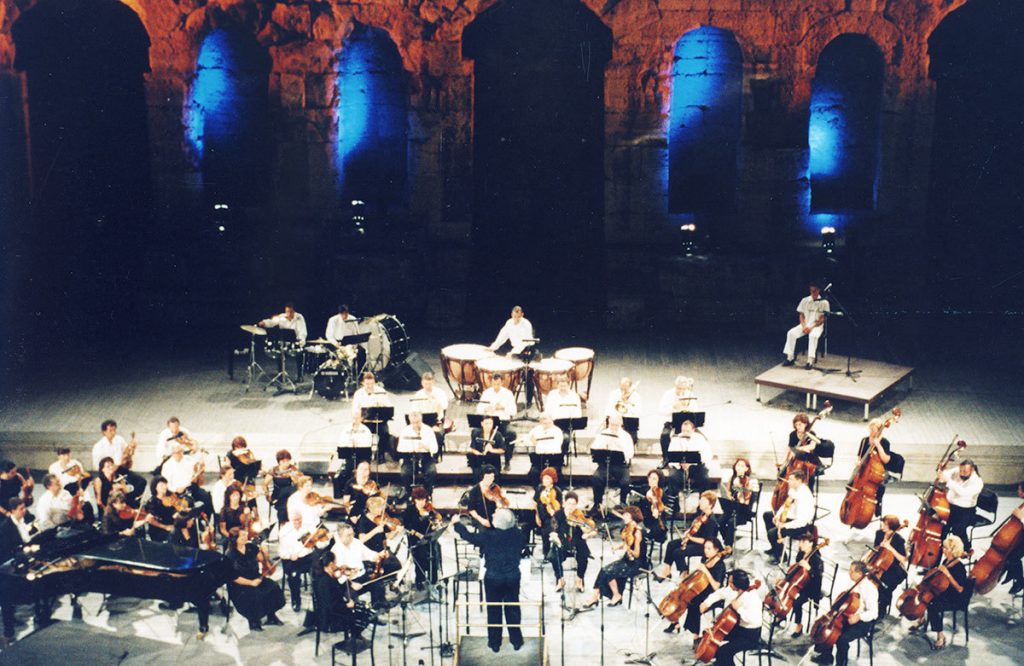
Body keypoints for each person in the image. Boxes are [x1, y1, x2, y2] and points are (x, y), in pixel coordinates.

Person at [454, 507, 527, 653]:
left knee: (493, 609)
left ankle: (495, 642)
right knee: (513, 607)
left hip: (493, 577)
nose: (493, 515)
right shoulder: (519, 535)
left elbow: (469, 537)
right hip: (512, 576)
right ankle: (516, 640)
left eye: (495, 515)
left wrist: (457, 524)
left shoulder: (488, 536)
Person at [811, 561, 878, 666]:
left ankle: (841, 663)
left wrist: (859, 616)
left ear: (860, 573)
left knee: (841, 639)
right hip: (847, 616)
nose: (849, 573)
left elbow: (874, 613)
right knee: (831, 631)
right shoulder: (853, 583)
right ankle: (826, 657)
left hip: (863, 622)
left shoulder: (870, 589)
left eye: (851, 571)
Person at [908, 535, 969, 650]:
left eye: (945, 548)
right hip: (944, 592)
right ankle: (921, 619)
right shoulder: (947, 561)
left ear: (952, 550)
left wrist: (947, 573)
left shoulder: (959, 567)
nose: (943, 549)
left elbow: (960, 589)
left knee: (932, 604)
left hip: (955, 598)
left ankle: (941, 636)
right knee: (925, 596)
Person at [581, 505, 645, 608]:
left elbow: (637, 553)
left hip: (636, 563)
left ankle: (611, 596)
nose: (624, 516)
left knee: (608, 571)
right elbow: (627, 543)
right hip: (627, 559)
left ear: (632, 517)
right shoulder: (627, 528)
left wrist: (629, 550)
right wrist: (618, 547)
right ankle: (598, 596)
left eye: (626, 515)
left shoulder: (637, 532)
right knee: (604, 569)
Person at [698, 569, 763, 665]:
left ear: (738, 583)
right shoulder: (732, 590)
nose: (729, 585)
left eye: (731, 582)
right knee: (712, 640)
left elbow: (754, 620)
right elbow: (719, 593)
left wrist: (739, 609)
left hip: (750, 635)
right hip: (737, 628)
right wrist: (706, 603)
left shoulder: (753, 598)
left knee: (724, 652)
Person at [226, 527, 286, 632]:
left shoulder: (250, 547)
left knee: (273, 587)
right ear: (235, 539)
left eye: (246, 535)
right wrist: (251, 583)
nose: (246, 537)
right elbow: (233, 577)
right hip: (239, 584)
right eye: (242, 536)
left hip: (255, 577)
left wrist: (264, 551)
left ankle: (271, 616)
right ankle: (253, 620)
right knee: (253, 595)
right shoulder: (230, 555)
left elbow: (261, 559)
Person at [667, 537, 727, 641]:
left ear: (716, 550)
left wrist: (706, 571)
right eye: (705, 548)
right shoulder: (705, 559)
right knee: (687, 598)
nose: (706, 551)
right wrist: (685, 580)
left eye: (709, 548)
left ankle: (695, 636)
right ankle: (676, 621)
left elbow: (716, 587)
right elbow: (699, 576)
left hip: (713, 592)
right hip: (702, 588)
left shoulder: (720, 565)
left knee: (695, 604)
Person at [655, 491, 719, 580]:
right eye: (700, 499)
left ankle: (684, 573)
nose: (700, 502)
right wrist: (688, 531)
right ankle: (667, 571)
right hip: (694, 541)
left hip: (703, 546)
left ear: (710, 505)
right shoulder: (701, 514)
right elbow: (695, 527)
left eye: (703, 500)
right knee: (671, 544)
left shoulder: (711, 521)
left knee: (678, 552)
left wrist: (690, 537)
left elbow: (705, 541)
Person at [355, 496, 403, 607]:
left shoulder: (380, 519)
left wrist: (396, 532)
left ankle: (385, 587)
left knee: (396, 565)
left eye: (382, 507)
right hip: (369, 552)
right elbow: (361, 539)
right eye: (379, 508)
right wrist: (375, 530)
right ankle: (378, 599)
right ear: (370, 508)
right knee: (380, 571)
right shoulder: (363, 520)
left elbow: (387, 537)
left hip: (382, 549)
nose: (381, 510)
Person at [763, 469, 815, 563]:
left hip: (800, 526)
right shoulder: (793, 489)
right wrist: (778, 515)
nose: (788, 481)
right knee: (767, 515)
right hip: (791, 517)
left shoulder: (804, 496)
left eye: (791, 479)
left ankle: (781, 556)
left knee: (772, 533)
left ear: (799, 481)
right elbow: (786, 504)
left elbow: (801, 521)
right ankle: (775, 547)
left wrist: (784, 525)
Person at [547, 491, 595, 593]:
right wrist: (555, 538)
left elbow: (589, 529)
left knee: (584, 555)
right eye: (569, 504)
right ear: (564, 503)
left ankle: (579, 579)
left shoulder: (579, 514)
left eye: (573, 504)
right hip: (562, 541)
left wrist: (583, 528)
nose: (571, 507)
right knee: (554, 556)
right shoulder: (558, 514)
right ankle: (560, 580)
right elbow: (553, 528)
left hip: (577, 541)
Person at [91, 420, 144, 504]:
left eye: (114, 430)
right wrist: (110, 470)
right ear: (104, 432)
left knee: (141, 481)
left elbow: (126, 451)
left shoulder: (119, 439)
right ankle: (124, 501)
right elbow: (97, 466)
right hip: (107, 472)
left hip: (120, 468)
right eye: (110, 430)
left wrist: (131, 447)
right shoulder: (98, 446)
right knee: (115, 488)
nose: (113, 433)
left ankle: (130, 500)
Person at [590, 413, 635, 512]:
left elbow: (630, 453)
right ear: (609, 422)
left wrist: (620, 448)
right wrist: (602, 448)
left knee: (625, 481)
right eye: (612, 425)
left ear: (621, 423)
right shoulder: (603, 434)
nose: (614, 427)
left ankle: (623, 502)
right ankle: (597, 503)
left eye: (616, 425)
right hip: (605, 464)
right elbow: (594, 448)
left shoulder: (625, 436)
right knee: (597, 477)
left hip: (621, 465)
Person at [865, 515, 908, 616]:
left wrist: (890, 548)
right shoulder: (879, 533)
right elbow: (876, 549)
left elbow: (903, 559)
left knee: (884, 587)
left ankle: (882, 609)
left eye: (885, 524)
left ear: (891, 527)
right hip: (879, 564)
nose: (882, 526)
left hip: (894, 568)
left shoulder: (899, 539)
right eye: (883, 523)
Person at [783, 282, 830, 368]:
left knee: (813, 336)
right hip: (805, 324)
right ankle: (790, 358)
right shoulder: (805, 300)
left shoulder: (824, 302)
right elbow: (801, 315)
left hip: (816, 326)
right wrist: (804, 326)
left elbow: (822, 319)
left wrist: (811, 327)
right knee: (791, 333)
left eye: (814, 290)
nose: (812, 292)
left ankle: (810, 361)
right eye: (811, 290)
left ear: (819, 290)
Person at [1, 498, 29, 641]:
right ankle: (8, 632)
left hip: (16, 564)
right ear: (12, 511)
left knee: (11, 596)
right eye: (21, 509)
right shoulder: (5, 527)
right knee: (6, 597)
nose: (24, 511)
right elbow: (6, 550)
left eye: (24, 508)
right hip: (5, 569)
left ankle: (11, 621)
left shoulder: (21, 522)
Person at [940, 458, 983, 551]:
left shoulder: (978, 482)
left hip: (965, 511)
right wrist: (942, 470)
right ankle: (939, 547)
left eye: (965, 472)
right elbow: (944, 476)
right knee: (941, 524)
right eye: (961, 470)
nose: (962, 473)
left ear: (972, 470)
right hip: (951, 507)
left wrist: (949, 481)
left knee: (957, 529)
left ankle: (967, 549)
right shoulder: (958, 470)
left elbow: (962, 492)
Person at [403, 486, 442, 589]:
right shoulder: (409, 510)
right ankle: (420, 580)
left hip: (428, 537)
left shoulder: (429, 509)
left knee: (435, 550)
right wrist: (417, 534)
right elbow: (406, 526)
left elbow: (433, 523)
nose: (421, 502)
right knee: (421, 554)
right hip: (415, 539)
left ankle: (433, 580)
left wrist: (435, 526)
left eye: (423, 499)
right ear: (414, 500)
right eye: (419, 500)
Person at [351, 372, 395, 463]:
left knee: (385, 433)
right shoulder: (358, 394)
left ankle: (380, 453)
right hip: (365, 421)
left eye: (372, 383)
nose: (370, 386)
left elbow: (389, 405)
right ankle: (365, 455)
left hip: (379, 421)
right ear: (363, 383)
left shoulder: (381, 391)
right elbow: (355, 409)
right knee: (362, 434)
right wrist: (359, 418)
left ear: (374, 382)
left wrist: (382, 406)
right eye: (367, 384)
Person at [476, 374, 518, 467]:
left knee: (511, 434)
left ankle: (507, 460)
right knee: (477, 432)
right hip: (490, 422)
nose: (496, 386)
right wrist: (486, 408)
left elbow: (514, 411)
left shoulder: (508, 393)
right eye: (494, 384)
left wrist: (503, 408)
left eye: (498, 384)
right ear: (491, 383)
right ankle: (482, 459)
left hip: (503, 422)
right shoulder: (486, 393)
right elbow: (479, 408)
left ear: (502, 382)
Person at [855, 418, 894, 518]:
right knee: (855, 482)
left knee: (880, 485)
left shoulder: (885, 442)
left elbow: (886, 460)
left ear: (879, 431)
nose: (871, 432)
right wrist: (858, 462)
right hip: (865, 468)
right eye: (870, 429)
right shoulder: (864, 440)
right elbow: (859, 456)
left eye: (873, 430)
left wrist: (878, 445)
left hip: (879, 470)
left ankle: (877, 505)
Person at [665, 419, 714, 496]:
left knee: (705, 479)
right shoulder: (676, 439)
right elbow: (671, 456)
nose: (685, 433)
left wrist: (691, 464)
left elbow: (708, 454)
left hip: (696, 467)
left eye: (687, 431)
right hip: (680, 468)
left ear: (693, 430)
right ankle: (674, 499)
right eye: (683, 430)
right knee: (672, 477)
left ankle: (703, 498)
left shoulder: (700, 438)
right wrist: (679, 464)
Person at [788, 532, 824, 638]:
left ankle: (799, 626)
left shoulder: (817, 559)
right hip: (800, 583)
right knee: (788, 595)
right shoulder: (801, 554)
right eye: (800, 541)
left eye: (804, 542)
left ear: (811, 543)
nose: (800, 544)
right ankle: (782, 615)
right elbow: (797, 568)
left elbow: (818, 577)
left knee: (797, 602)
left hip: (811, 588)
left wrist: (809, 568)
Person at [279, 515, 318, 612]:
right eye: (296, 520)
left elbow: (313, 545)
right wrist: (290, 555)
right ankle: (296, 600)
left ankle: (317, 598)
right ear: (291, 520)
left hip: (306, 558)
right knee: (294, 576)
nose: (298, 522)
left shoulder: (306, 528)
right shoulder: (285, 532)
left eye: (300, 519)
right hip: (291, 560)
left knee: (318, 569)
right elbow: (281, 552)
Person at [719, 458, 759, 547]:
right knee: (720, 521)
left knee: (731, 522)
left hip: (743, 512)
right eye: (738, 465)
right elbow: (728, 494)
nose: (740, 467)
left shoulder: (749, 481)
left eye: (742, 466)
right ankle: (727, 540)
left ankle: (728, 546)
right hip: (732, 509)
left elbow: (747, 499)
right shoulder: (731, 478)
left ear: (747, 469)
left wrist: (739, 488)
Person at [331, 411, 374, 495]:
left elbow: (368, 444)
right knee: (346, 472)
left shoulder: (365, 430)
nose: (355, 420)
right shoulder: (346, 429)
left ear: (361, 418)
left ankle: (362, 490)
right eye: (353, 418)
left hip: (362, 458)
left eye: (357, 418)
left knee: (361, 470)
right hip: (349, 456)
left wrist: (358, 444)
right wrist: (349, 444)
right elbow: (341, 443)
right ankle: (347, 491)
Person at [659, 376, 699, 462]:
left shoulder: (690, 395)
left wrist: (687, 407)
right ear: (675, 386)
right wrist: (673, 407)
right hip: (671, 422)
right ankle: (666, 458)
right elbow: (661, 410)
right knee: (665, 436)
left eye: (683, 389)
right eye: (679, 388)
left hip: (686, 423)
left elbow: (695, 410)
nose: (681, 391)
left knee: (697, 436)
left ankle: (689, 458)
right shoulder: (668, 394)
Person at [397, 412, 438, 494]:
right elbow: (399, 448)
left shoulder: (428, 430)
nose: (415, 425)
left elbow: (435, 449)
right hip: (410, 456)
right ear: (410, 421)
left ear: (421, 420)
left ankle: (426, 493)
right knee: (405, 473)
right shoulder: (405, 431)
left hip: (426, 456)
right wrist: (410, 448)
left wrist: (425, 446)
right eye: (413, 422)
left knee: (432, 472)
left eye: (417, 422)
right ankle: (410, 494)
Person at [411, 371, 450, 457]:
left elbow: (445, 406)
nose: (428, 386)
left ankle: (434, 454)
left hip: (436, 421)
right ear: (422, 383)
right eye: (426, 384)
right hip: (421, 421)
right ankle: (418, 454)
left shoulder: (440, 392)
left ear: (433, 382)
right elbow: (414, 409)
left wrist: (436, 399)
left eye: (429, 384)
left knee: (436, 434)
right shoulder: (418, 394)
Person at [525, 413, 564, 486]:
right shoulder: (536, 430)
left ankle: (554, 489)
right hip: (539, 459)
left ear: (551, 421)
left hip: (553, 459)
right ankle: (538, 490)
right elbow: (528, 439)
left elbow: (557, 445)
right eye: (543, 421)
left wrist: (541, 443)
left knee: (554, 472)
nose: (545, 423)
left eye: (548, 421)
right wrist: (532, 441)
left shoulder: (557, 431)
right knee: (534, 472)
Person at [325, 304, 367, 371]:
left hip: (350, 343)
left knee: (362, 352)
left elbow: (356, 334)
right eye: (342, 314)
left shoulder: (353, 319)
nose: (344, 316)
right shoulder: (333, 320)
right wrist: (336, 344)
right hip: (337, 343)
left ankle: (359, 373)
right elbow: (329, 335)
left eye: (346, 313)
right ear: (339, 313)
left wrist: (354, 346)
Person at [533, 468, 563, 558]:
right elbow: (535, 503)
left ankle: (550, 552)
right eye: (544, 478)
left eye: (547, 478)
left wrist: (551, 508)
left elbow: (559, 508)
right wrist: (537, 516)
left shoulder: (557, 491)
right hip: (541, 515)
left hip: (552, 518)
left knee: (548, 528)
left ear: (552, 480)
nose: (544, 480)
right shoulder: (539, 488)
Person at [468, 416, 506, 481]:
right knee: (478, 476)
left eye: (490, 423)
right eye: (486, 424)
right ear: (482, 424)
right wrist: (478, 453)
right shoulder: (476, 433)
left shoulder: (497, 434)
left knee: (492, 477)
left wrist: (492, 450)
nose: (488, 426)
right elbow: (473, 448)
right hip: (479, 460)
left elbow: (503, 450)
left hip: (493, 461)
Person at [606, 377, 641, 443]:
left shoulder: (636, 396)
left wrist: (627, 404)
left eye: (625, 388)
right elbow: (609, 410)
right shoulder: (614, 394)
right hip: (615, 423)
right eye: (622, 388)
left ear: (630, 387)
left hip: (630, 424)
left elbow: (638, 412)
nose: (623, 391)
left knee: (631, 441)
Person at [637, 469, 668, 544]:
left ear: (659, 481)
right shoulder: (644, 488)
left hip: (655, 520)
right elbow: (640, 505)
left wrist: (656, 507)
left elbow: (661, 511)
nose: (651, 480)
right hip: (643, 517)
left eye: (654, 479)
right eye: (650, 478)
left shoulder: (662, 494)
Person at [144, 476, 177, 542]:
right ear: (155, 488)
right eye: (161, 485)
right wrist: (166, 527)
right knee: (174, 534)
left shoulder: (170, 497)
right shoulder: (152, 502)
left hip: (172, 525)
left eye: (165, 484)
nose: (165, 487)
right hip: (159, 530)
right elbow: (150, 520)